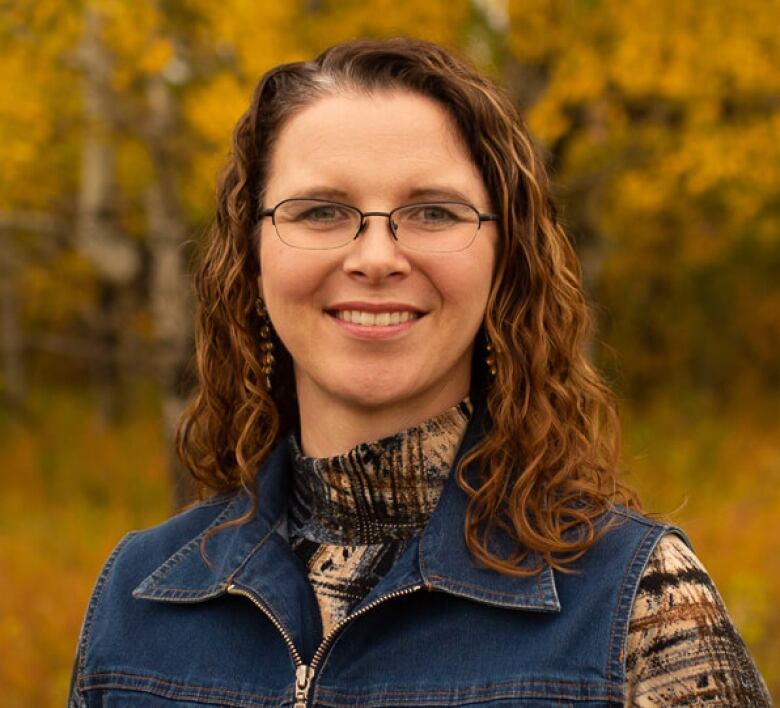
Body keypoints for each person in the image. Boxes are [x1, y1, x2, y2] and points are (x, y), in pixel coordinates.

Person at [69, 38, 771, 707]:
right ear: (251, 260)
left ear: (506, 260)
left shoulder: (635, 600)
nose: (376, 257)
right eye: (321, 211)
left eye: (433, 212)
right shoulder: (140, 600)